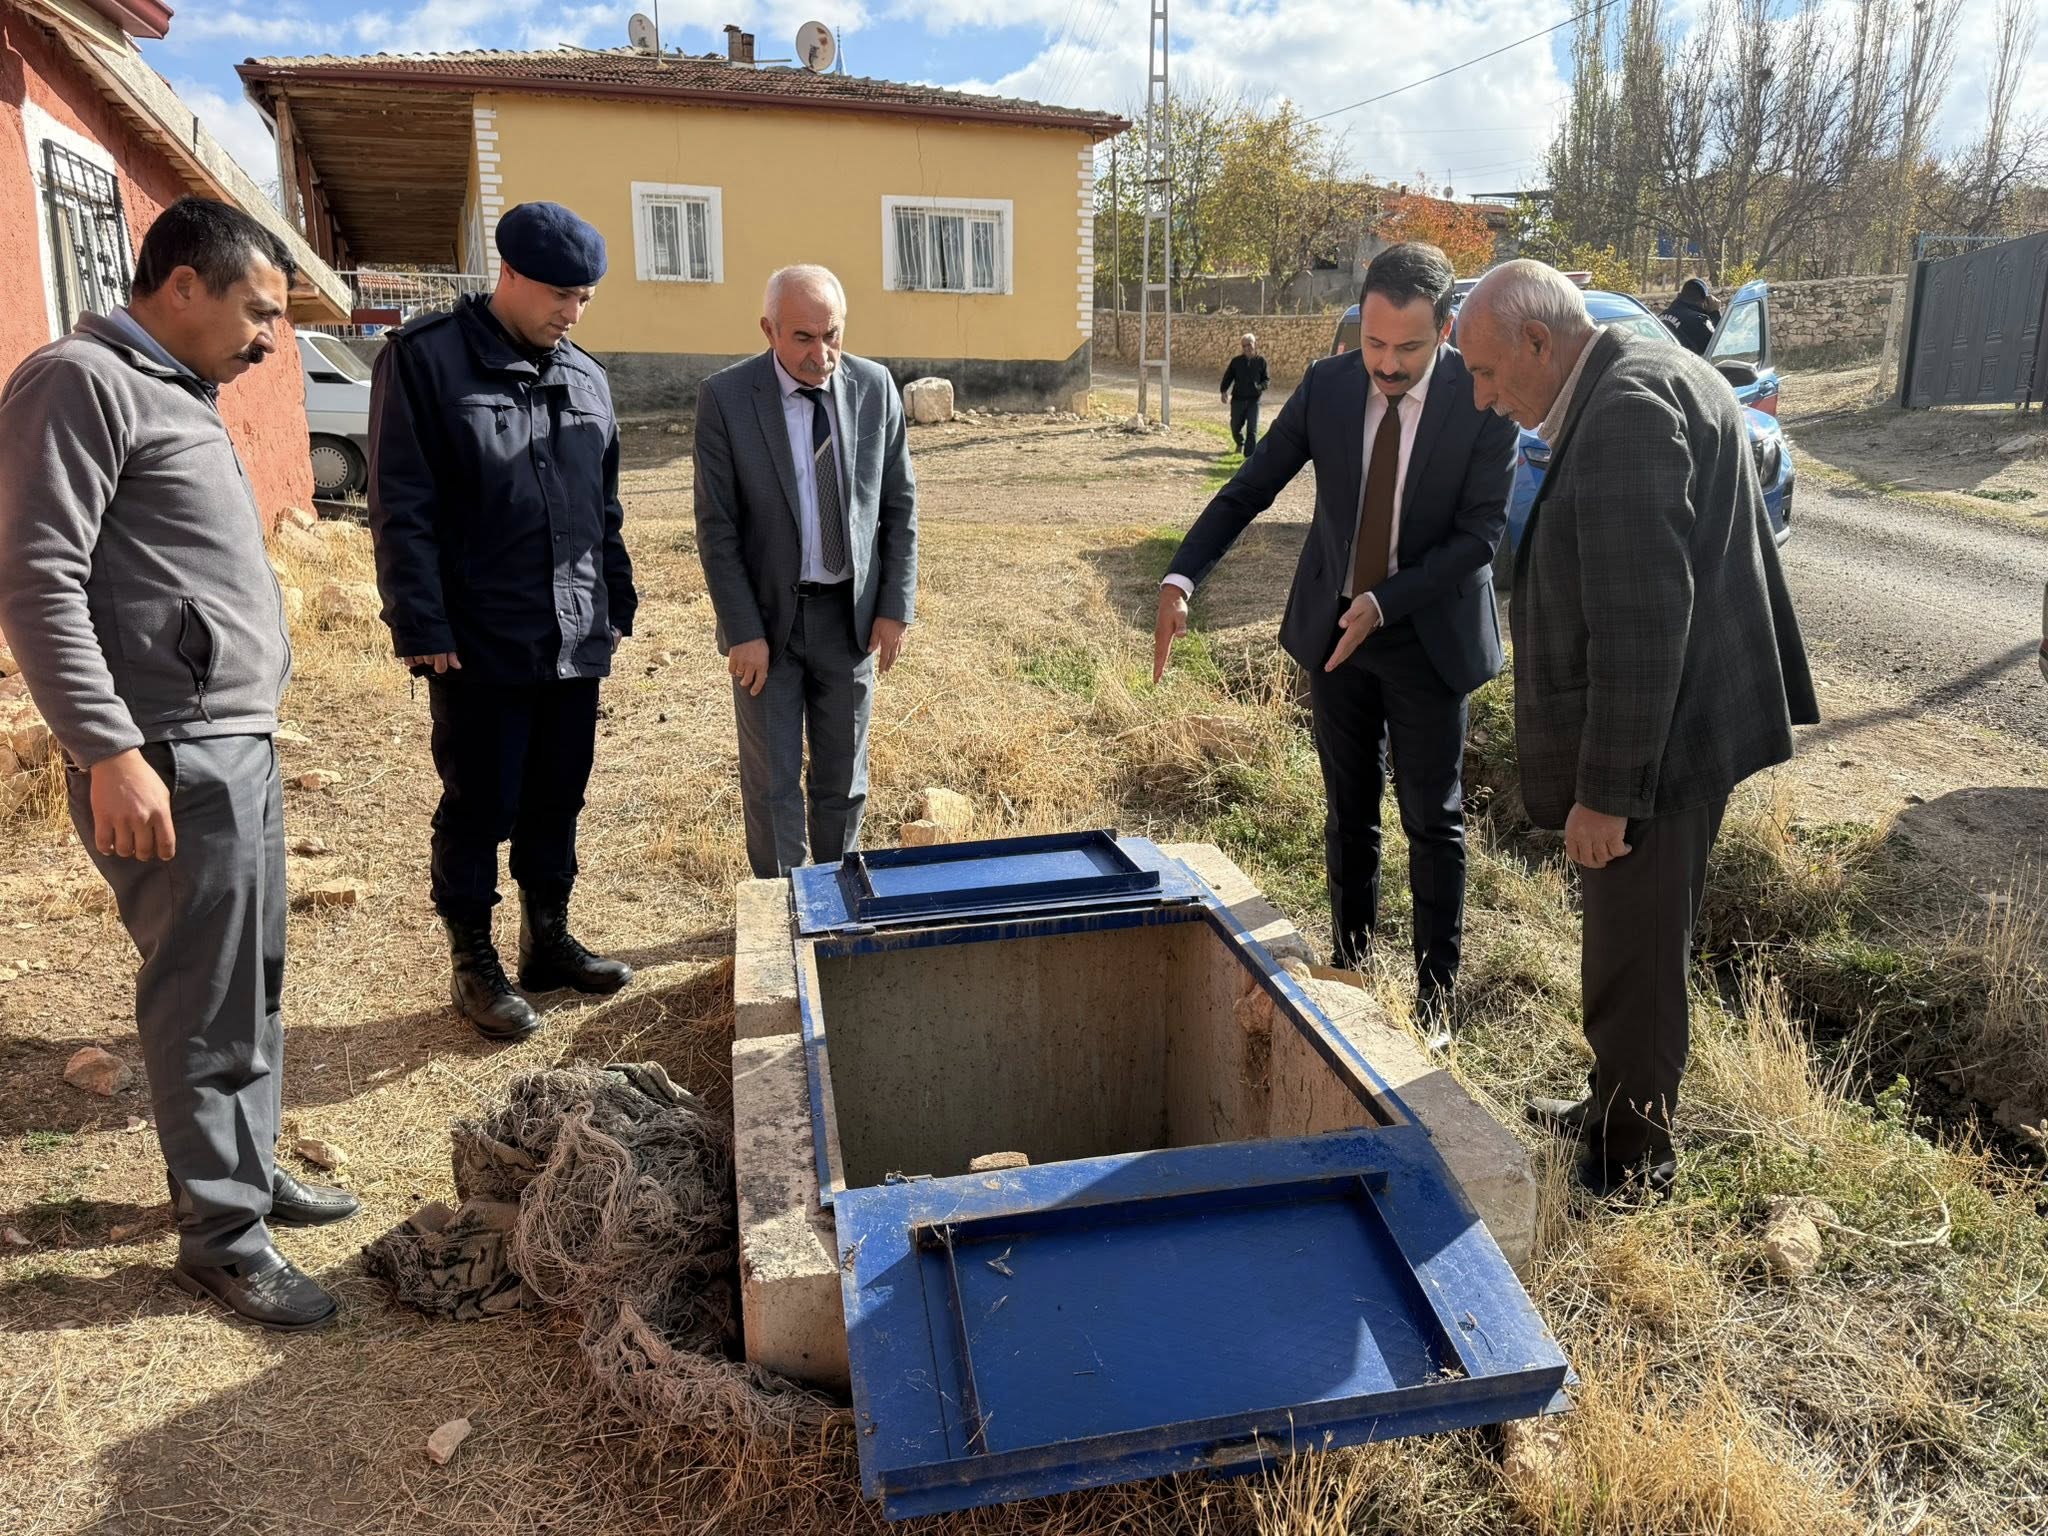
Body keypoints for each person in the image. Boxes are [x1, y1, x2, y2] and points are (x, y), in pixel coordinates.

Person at [0, 197, 360, 1331]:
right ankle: (221, 1237)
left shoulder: (177, 390)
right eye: (257, 310)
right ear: (183, 286)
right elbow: (36, 578)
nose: (268, 338)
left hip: (225, 739)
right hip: (161, 750)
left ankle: (243, 1175)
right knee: (201, 997)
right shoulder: (79, 382)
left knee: (248, 978)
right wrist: (105, 747)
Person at [1458, 260, 1817, 1199]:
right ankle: (1614, 1103)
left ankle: (1632, 1165)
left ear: (1540, 341)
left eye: (1489, 373)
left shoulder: (1621, 415)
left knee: (1637, 956)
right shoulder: (1654, 364)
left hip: (1665, 741)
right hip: (1687, 716)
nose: (1484, 399)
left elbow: (1643, 626)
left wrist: (1607, 796)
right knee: (1634, 944)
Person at [1155, 244, 1518, 1042]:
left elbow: (1480, 536)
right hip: (1336, 632)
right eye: (1374, 344)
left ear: (1447, 330)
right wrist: (1183, 577)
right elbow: (1251, 487)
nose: (1387, 366)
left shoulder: (1482, 394)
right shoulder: (1327, 386)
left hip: (1427, 634)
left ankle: (1433, 1003)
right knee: (1348, 811)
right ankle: (1350, 970)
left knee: (1434, 818)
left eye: (1408, 350)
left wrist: (1387, 602)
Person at [368, 201, 638, 1042]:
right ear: (509, 275)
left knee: (559, 793)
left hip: (572, 630)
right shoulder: (426, 362)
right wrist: (421, 623)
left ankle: (546, 941)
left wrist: (615, 602)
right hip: (478, 635)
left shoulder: (586, 376)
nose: (572, 310)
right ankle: (472, 961)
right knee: (482, 800)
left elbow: (606, 505)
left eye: (585, 297)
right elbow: (400, 505)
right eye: (559, 293)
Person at [693, 265, 918, 878]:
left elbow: (897, 504)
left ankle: (834, 903)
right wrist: (742, 630)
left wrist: (894, 606)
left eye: (833, 336)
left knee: (843, 777)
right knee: (772, 785)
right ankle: (783, 910)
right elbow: (717, 528)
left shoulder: (875, 388)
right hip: (767, 625)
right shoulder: (727, 399)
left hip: (849, 620)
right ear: (768, 329)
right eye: (802, 338)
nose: (822, 355)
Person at [1219, 332, 1269, 453]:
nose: (1247, 348)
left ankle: (1249, 457)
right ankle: (1240, 442)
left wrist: (1260, 387)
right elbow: (1228, 377)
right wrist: (1223, 391)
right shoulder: (1236, 361)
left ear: (1254, 344)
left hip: (1254, 400)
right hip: (1238, 399)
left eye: (1249, 344)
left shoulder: (1261, 361)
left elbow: (1266, 379)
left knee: (1252, 429)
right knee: (1235, 426)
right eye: (1244, 346)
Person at [1661, 276, 1720, 356]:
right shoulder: (1698, 321)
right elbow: (1718, 348)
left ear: (1678, 296)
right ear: (1705, 301)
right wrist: (1714, 313)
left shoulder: (1661, 316)